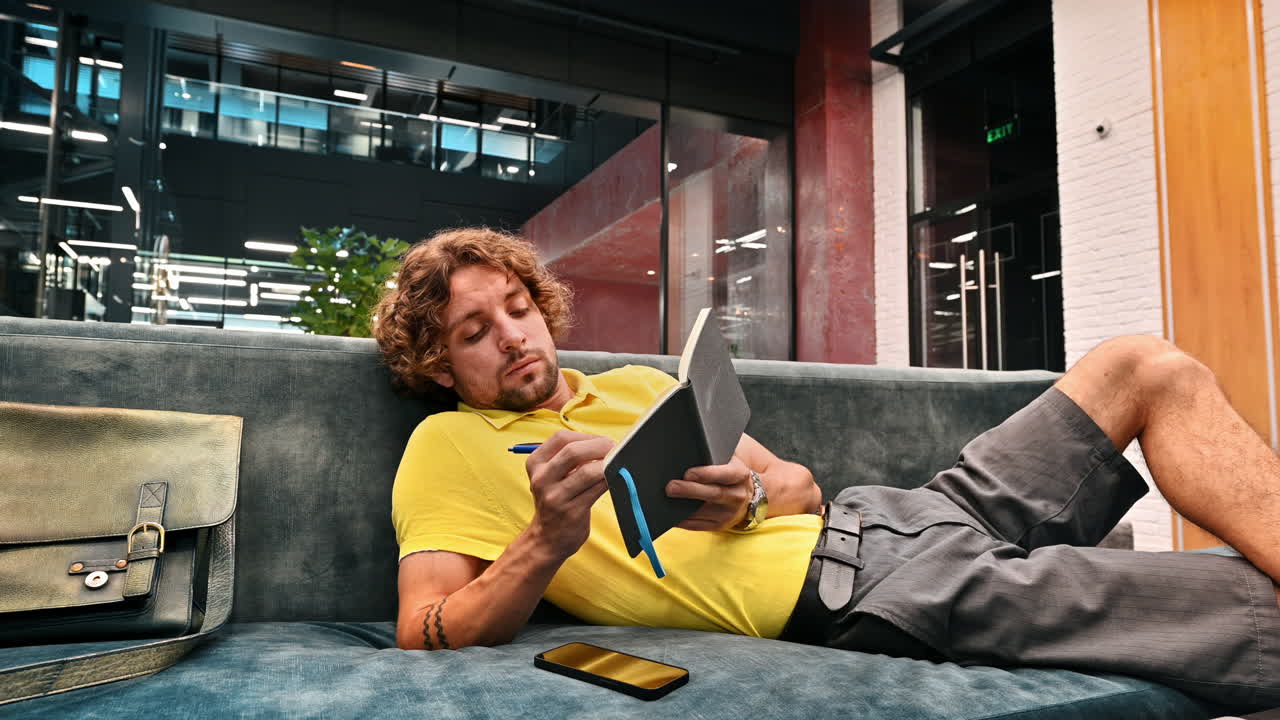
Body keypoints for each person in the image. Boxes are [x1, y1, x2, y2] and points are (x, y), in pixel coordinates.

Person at [373, 227, 1280, 709]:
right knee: (1249, 609)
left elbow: (800, 485)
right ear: (440, 366)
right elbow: (425, 630)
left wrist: (748, 497)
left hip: (893, 519)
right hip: (856, 596)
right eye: (475, 331)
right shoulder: (449, 445)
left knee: (1140, 365)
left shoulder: (638, 386)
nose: (513, 336)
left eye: (518, 307)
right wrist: (546, 541)